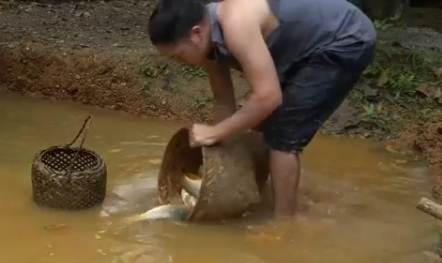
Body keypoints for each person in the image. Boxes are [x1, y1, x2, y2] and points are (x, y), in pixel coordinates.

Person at [148, 0, 377, 218]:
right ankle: (262, 194)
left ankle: (284, 223)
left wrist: (216, 132)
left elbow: (268, 98)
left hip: (343, 38)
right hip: (302, 50)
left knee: (283, 135)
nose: (181, 62)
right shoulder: (207, 42)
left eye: (179, 55)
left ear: (196, 33)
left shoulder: (235, 23)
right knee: (258, 123)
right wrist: (217, 149)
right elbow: (224, 102)